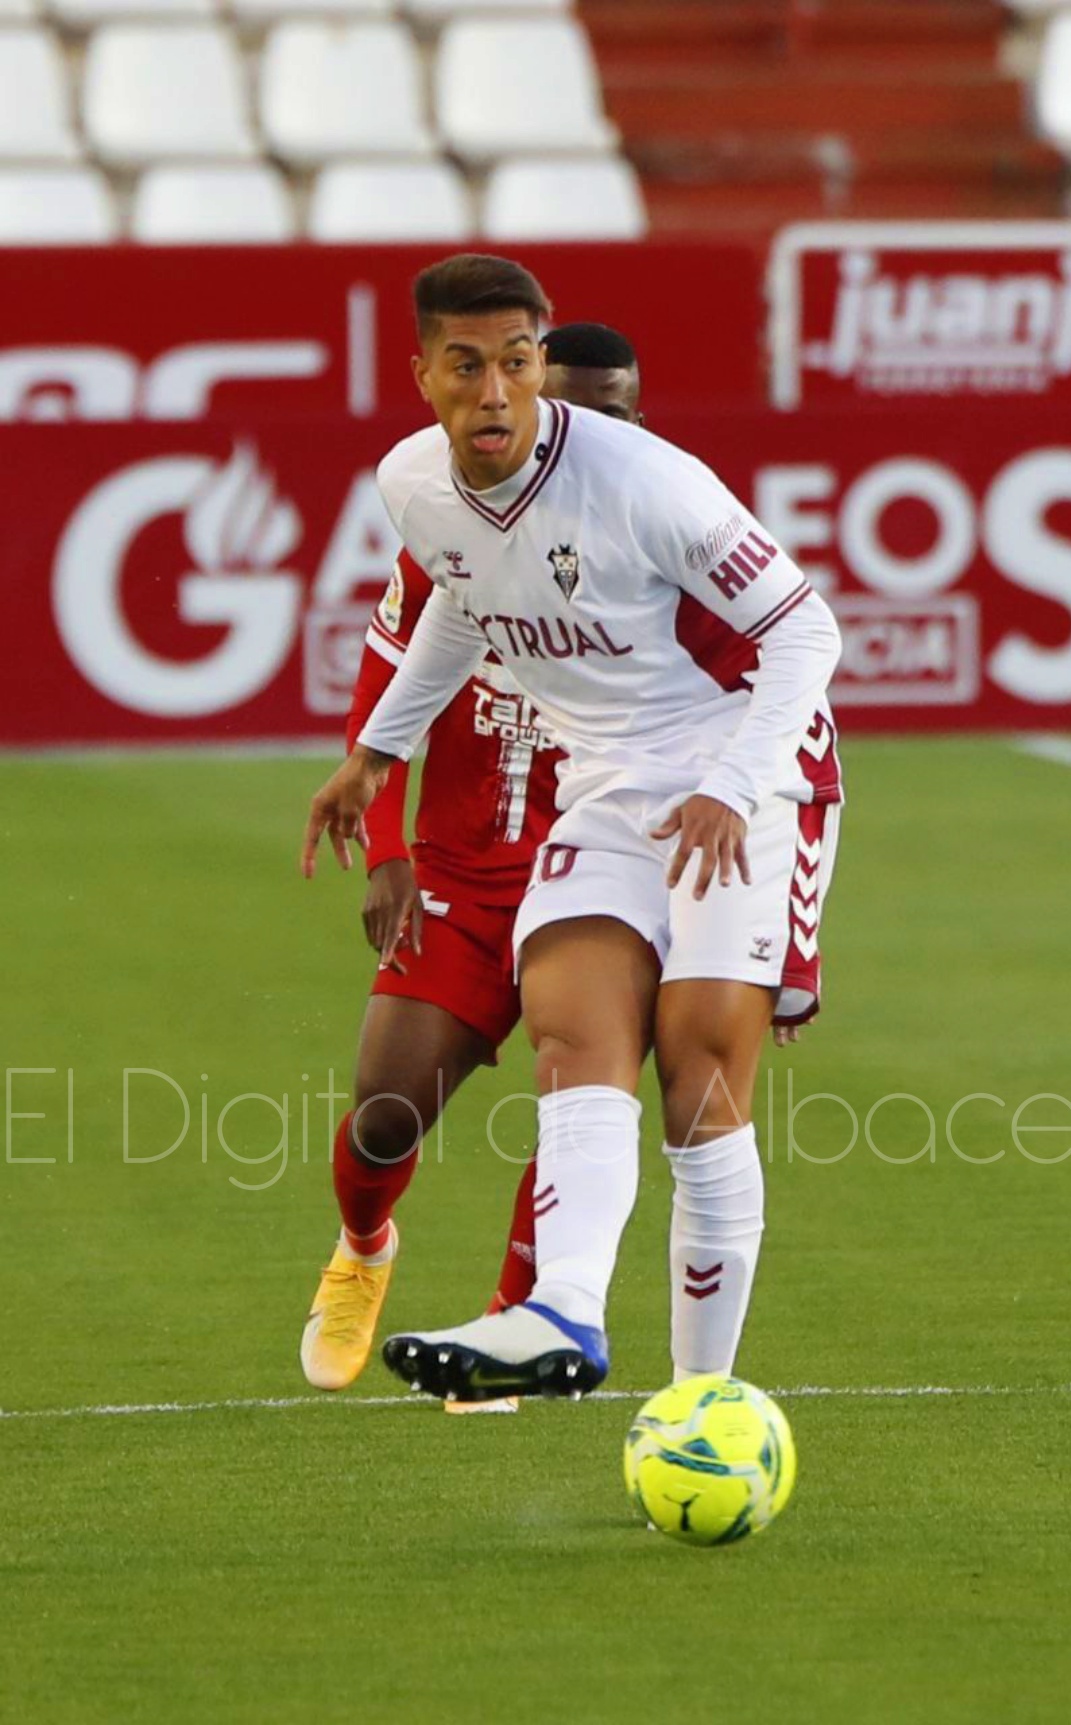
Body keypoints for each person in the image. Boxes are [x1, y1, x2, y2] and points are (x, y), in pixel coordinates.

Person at [303, 254, 842, 1403]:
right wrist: (377, 753)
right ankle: (561, 1312)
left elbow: (807, 632)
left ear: (538, 360)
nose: (494, 389)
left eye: (515, 362)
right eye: (466, 365)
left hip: (749, 767)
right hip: (606, 783)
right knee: (572, 1029)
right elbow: (465, 598)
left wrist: (733, 783)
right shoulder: (413, 484)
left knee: (698, 1078)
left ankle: (702, 1397)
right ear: (423, 373)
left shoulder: (650, 481)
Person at [300, 325, 650, 1403]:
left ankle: (509, 1328)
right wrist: (390, 852)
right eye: (569, 408)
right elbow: (388, 694)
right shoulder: (451, 533)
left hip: (595, 874)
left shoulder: (667, 539)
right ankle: (363, 1247)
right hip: (459, 873)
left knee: (578, 1104)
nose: (587, 434)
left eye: (614, 414)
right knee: (385, 1111)